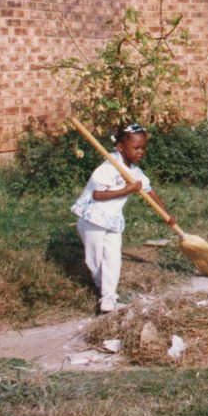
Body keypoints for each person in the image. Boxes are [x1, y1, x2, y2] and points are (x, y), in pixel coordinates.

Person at [70, 123, 175, 313]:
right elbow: (98, 195)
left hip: (113, 220)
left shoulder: (135, 172)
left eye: (143, 148)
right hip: (93, 219)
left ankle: (108, 296)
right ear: (120, 147)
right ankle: (102, 286)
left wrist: (166, 214)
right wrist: (127, 189)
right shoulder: (108, 168)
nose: (140, 152)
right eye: (136, 148)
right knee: (94, 260)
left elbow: (150, 192)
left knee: (113, 257)